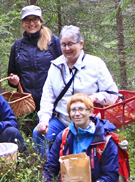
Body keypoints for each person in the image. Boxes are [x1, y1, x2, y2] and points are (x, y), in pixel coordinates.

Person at [33, 25, 119, 156]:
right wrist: (44, 120)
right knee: (38, 134)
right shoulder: (55, 66)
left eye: (71, 44)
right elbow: (47, 98)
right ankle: (47, 170)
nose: (67, 48)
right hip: (63, 121)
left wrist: (95, 97)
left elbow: (113, 95)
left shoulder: (95, 64)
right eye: (63, 45)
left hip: (88, 122)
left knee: (83, 153)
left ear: (81, 44)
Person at [36, 93, 119, 182]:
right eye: (73, 110)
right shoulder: (63, 137)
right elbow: (51, 167)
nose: (77, 113)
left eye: (81, 109)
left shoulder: (105, 140)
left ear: (91, 112)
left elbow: (110, 175)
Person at [7, 5, 62, 109]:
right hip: (27, 105)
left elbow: (65, 70)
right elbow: (11, 74)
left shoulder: (53, 42)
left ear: (41, 21)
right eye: (27, 20)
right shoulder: (17, 46)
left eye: (35, 19)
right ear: (22, 23)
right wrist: (13, 81)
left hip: (52, 103)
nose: (31, 23)